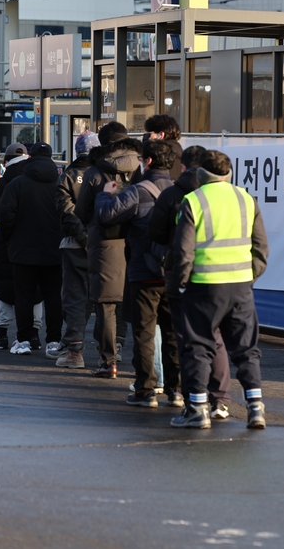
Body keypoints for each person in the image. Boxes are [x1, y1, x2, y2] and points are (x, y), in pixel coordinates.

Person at [170, 150, 269, 429]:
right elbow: (261, 246)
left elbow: (183, 251)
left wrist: (182, 281)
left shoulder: (193, 201)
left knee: (198, 348)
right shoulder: (246, 199)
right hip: (240, 287)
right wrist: (250, 276)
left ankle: (198, 410)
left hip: (202, 288)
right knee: (246, 350)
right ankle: (255, 408)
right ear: (228, 175)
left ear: (200, 173)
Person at [95, 140, 181, 408]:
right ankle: (176, 391)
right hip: (175, 273)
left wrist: (105, 193)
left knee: (144, 333)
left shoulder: (138, 191)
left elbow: (106, 215)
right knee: (173, 333)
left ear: (149, 162)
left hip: (143, 272)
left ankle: (146, 391)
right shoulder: (181, 192)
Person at [148, 145, 232, 419]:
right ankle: (218, 400)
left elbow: (157, 234)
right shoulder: (233, 197)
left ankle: (188, 397)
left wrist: (179, 277)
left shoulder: (175, 195)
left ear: (183, 166)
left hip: (183, 278)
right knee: (216, 339)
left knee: (185, 340)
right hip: (226, 278)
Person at [76, 122, 143, 378]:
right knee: (137, 303)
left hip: (103, 243)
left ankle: (108, 361)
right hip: (135, 241)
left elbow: (82, 212)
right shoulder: (141, 167)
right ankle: (143, 362)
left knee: (106, 304)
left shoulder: (94, 172)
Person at [0, 142, 64, 356]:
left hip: (23, 251)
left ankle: (23, 340)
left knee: (23, 295)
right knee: (53, 296)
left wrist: (11, 240)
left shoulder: (17, 184)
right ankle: (54, 341)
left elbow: (4, 216)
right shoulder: (61, 184)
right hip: (54, 251)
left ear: (30, 157)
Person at [53, 130, 98, 368]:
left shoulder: (68, 176)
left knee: (74, 298)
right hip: (106, 247)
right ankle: (109, 355)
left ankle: (74, 352)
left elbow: (66, 212)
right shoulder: (105, 175)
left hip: (74, 246)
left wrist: (83, 238)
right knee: (107, 301)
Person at [0, 143, 30, 349]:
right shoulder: (36, 180)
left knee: (3, 286)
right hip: (32, 243)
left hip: (4, 242)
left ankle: (1, 334)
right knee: (32, 290)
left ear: (6, 160)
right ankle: (33, 335)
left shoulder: (4, 182)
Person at [144, 114, 184, 180]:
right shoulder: (180, 153)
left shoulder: (159, 156)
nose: (147, 138)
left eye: (149, 135)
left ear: (161, 135)